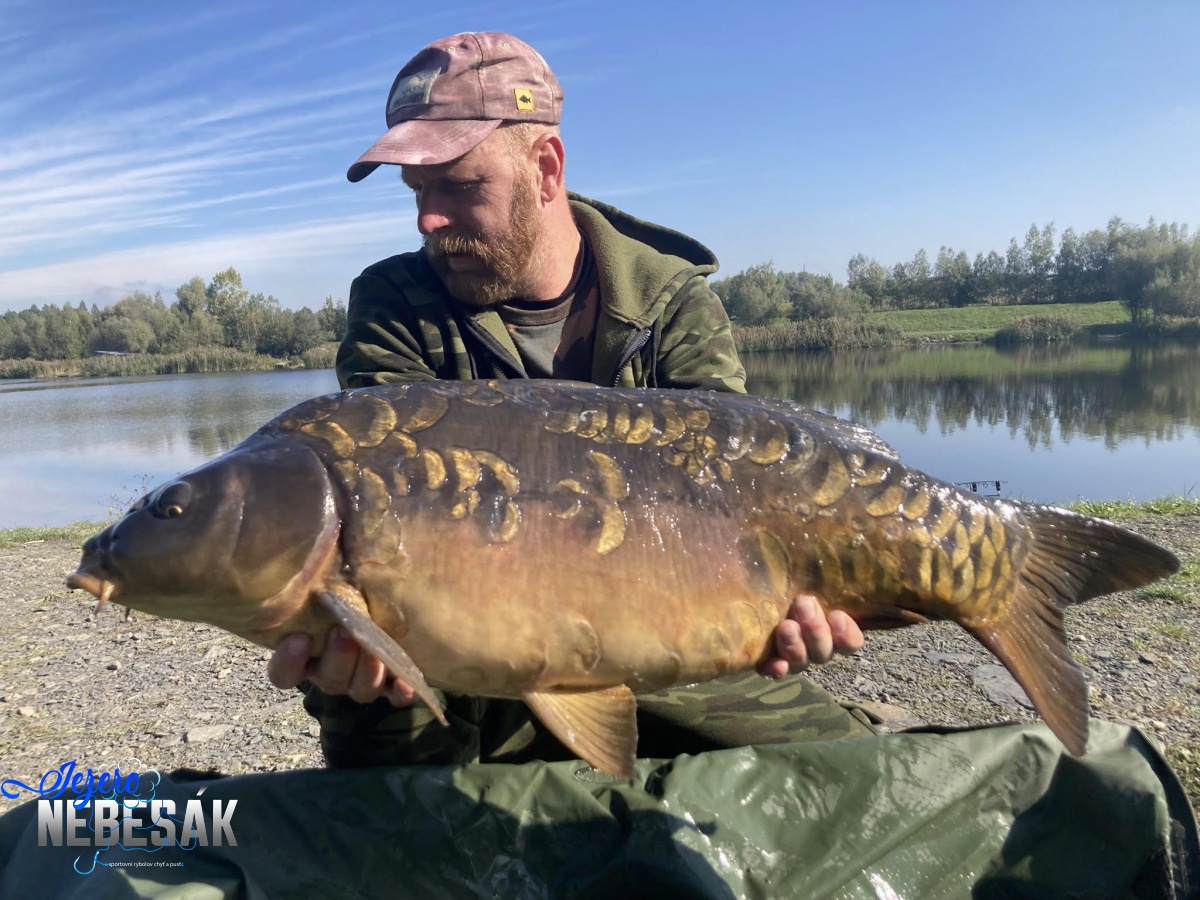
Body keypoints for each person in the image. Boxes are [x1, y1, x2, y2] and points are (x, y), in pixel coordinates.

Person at [267, 31, 872, 768]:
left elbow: (740, 494)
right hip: (462, 639)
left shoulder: (671, 302)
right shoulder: (394, 305)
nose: (428, 219)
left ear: (546, 168)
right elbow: (381, 514)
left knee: (836, 771)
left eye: (459, 186)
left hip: (662, 621)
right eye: (417, 191)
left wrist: (791, 602)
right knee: (359, 682)